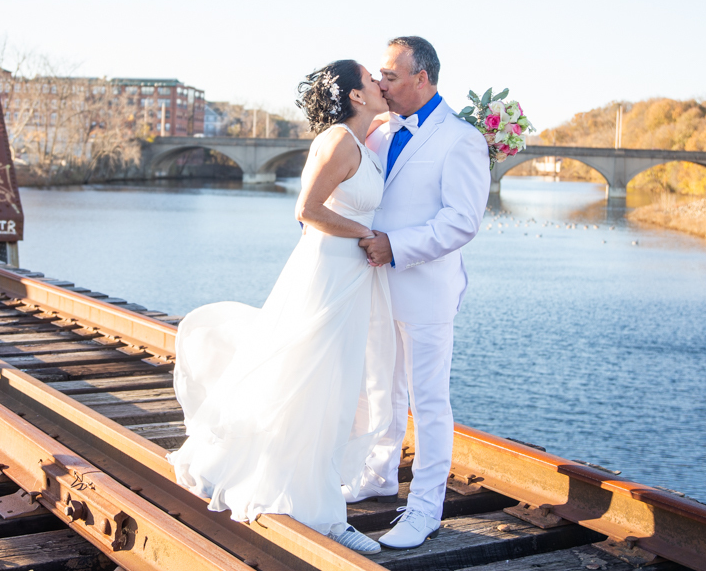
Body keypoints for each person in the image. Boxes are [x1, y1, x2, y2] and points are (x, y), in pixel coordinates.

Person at [168, 59, 395, 554]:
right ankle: (324, 515)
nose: (381, 83)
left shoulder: (363, 140)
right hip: (329, 273)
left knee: (332, 387)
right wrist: (367, 233)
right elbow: (306, 210)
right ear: (356, 96)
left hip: (349, 276)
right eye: (371, 78)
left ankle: (302, 488)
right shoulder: (338, 140)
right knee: (319, 386)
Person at [351, 36, 491, 549]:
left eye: (390, 76)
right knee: (380, 389)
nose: (381, 84)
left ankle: (426, 509)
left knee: (429, 403)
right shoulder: (379, 131)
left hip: (426, 289)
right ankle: (379, 474)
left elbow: (462, 221)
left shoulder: (461, 139)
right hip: (374, 285)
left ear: (422, 77)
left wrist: (397, 245)